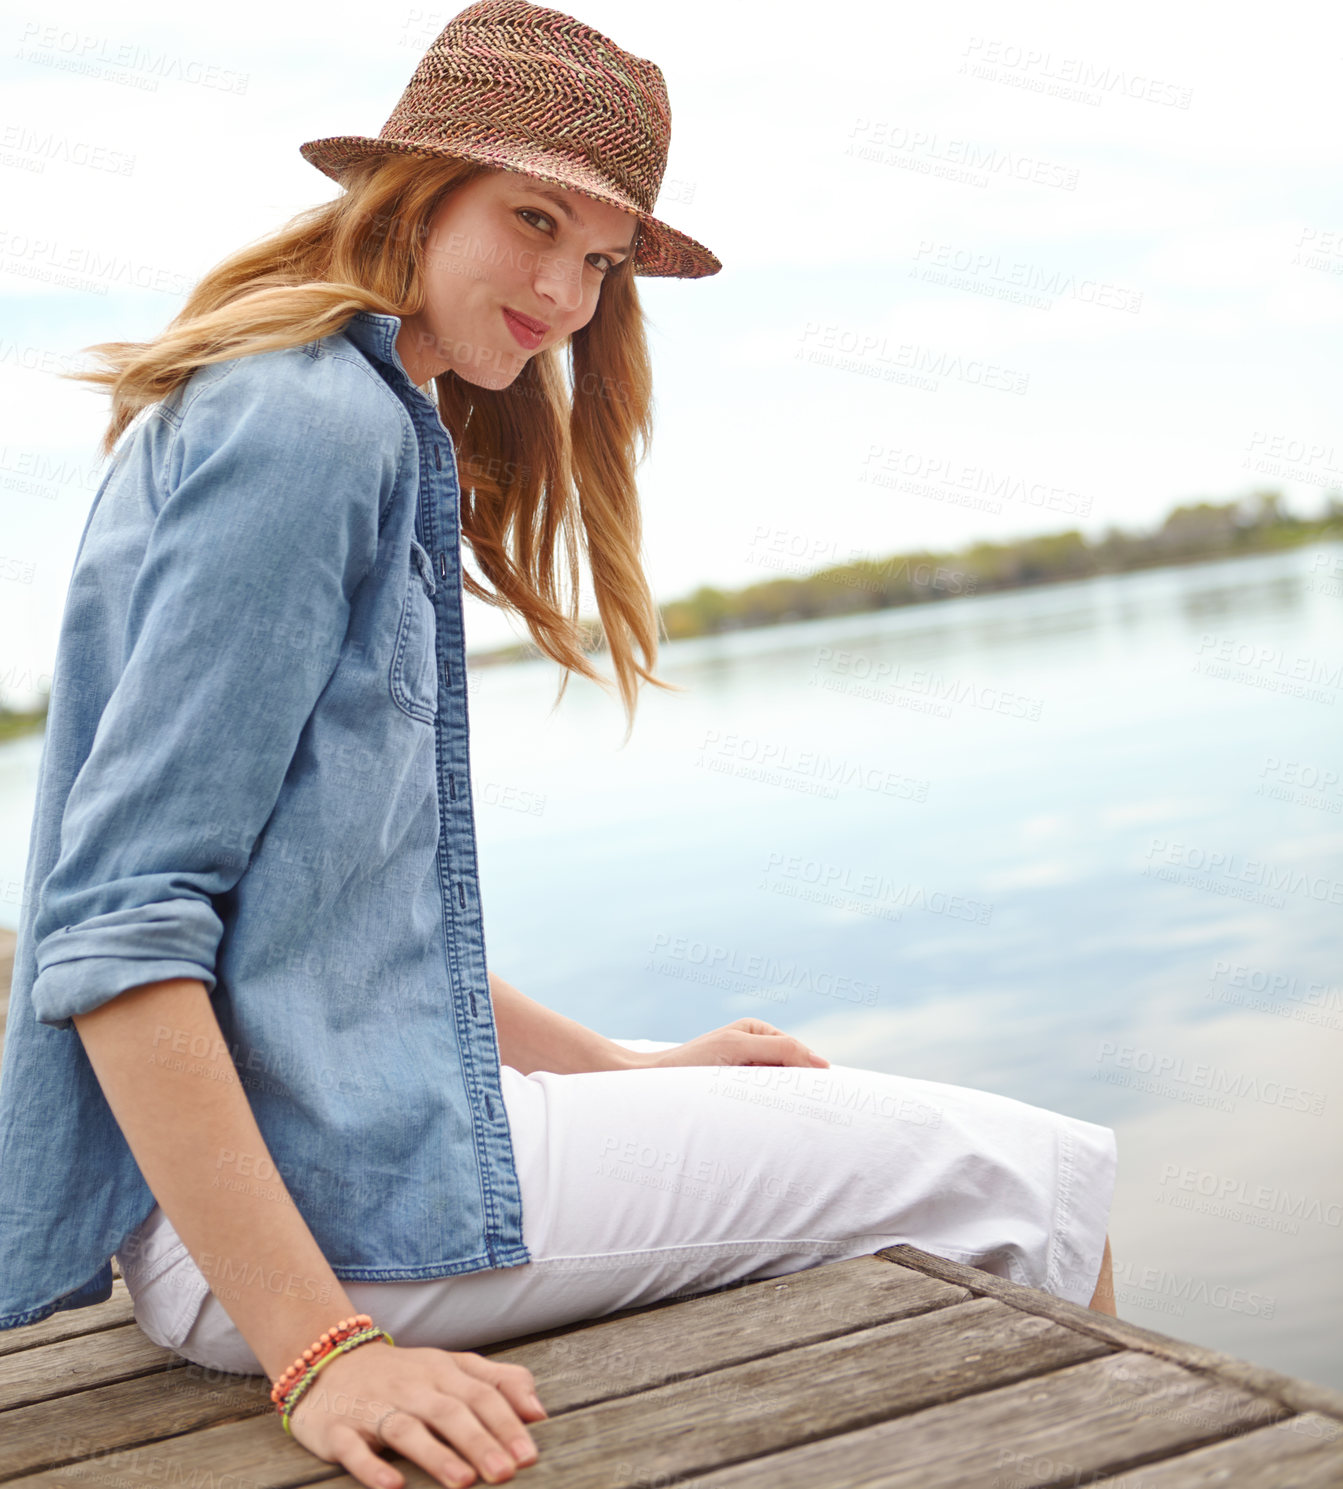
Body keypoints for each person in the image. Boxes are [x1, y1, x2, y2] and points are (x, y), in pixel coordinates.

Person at [0, 3, 1118, 1488]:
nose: (563, 290)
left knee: (903, 1136)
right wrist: (321, 1348)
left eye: (596, 256)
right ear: (416, 189)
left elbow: (332, 918)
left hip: (324, 1156)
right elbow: (110, 928)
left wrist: (624, 1067)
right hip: (307, 1225)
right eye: (532, 219)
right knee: (1034, 1184)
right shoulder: (310, 427)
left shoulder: (335, 405)